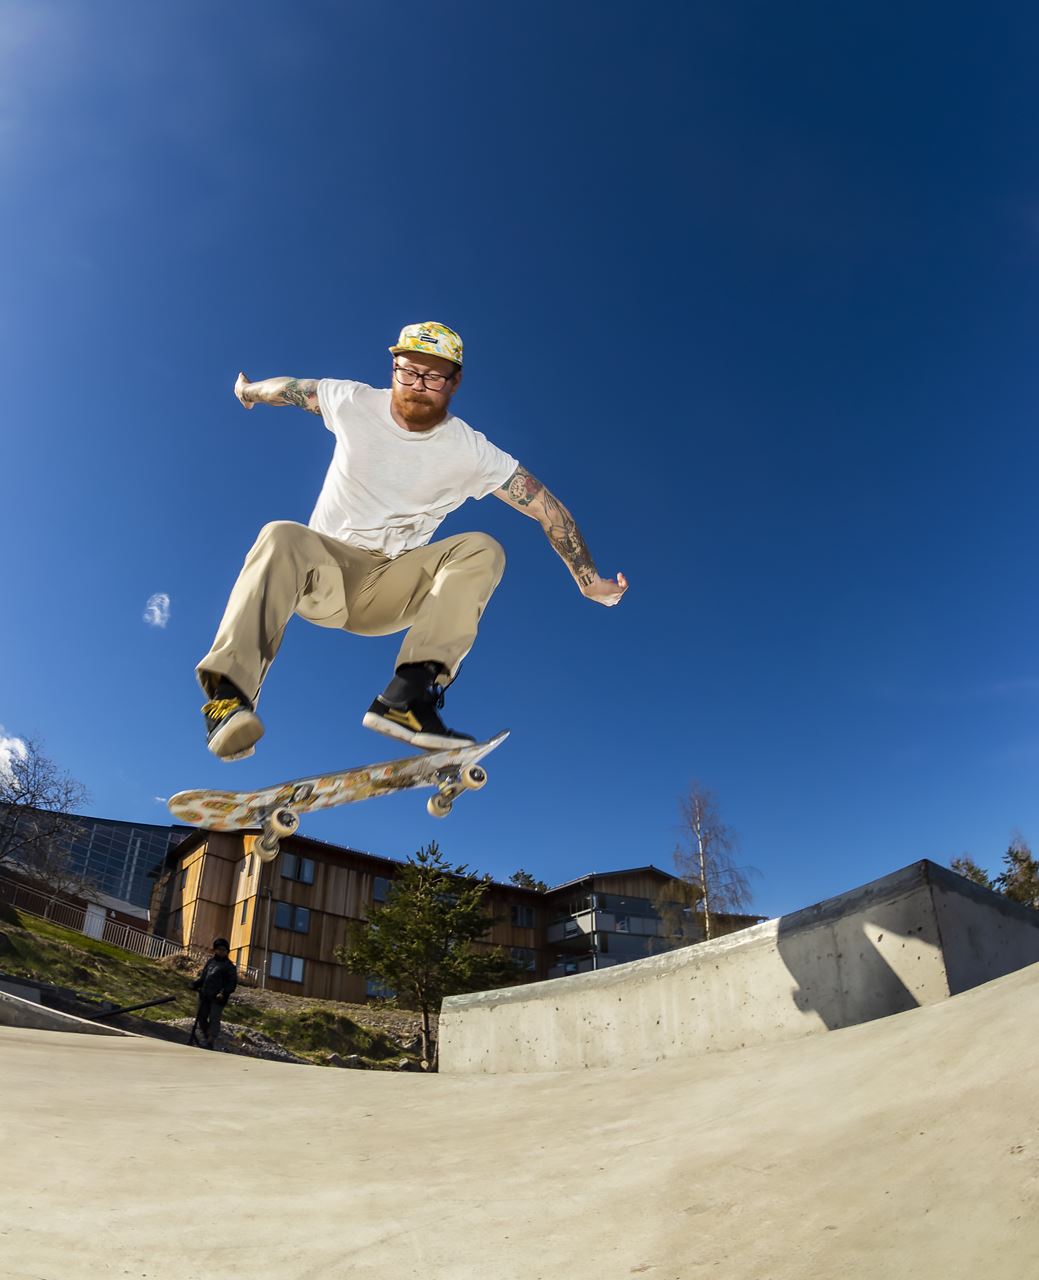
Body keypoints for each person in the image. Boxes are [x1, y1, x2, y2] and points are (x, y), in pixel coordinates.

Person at [197, 321, 628, 759]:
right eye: (408, 372)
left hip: (389, 586)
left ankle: (408, 698)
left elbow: (544, 507)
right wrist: (248, 392)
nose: (418, 386)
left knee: (482, 548)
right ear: (393, 369)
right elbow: (289, 389)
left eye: (434, 376)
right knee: (281, 535)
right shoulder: (351, 400)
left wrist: (587, 578)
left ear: (455, 382)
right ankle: (228, 698)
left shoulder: (472, 451)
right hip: (321, 573)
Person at [191, 938, 238, 1050]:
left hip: (218, 998)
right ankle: (207, 1038)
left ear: (227, 952)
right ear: (215, 950)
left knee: (214, 1018)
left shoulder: (230, 967)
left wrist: (223, 992)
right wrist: (195, 984)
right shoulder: (210, 962)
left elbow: (232, 983)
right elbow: (203, 978)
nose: (221, 952)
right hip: (205, 995)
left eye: (224, 950)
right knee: (201, 1017)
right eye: (219, 949)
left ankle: (210, 1040)